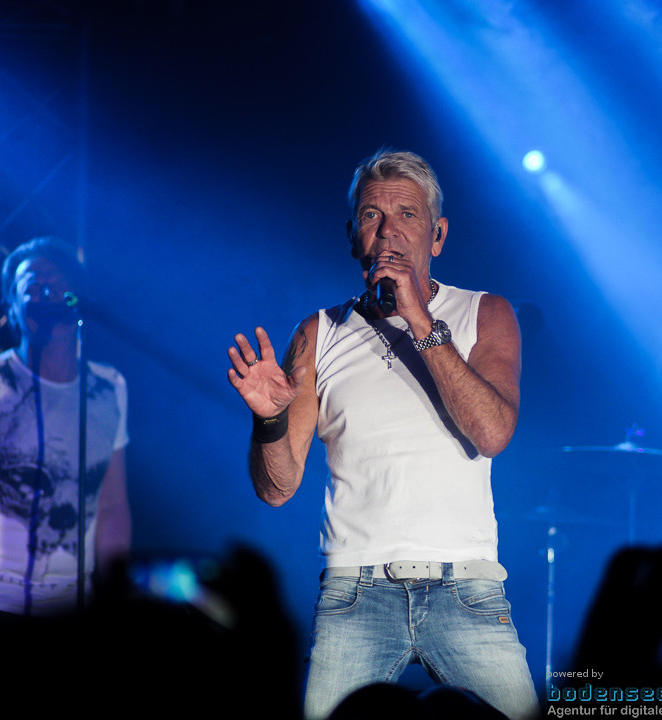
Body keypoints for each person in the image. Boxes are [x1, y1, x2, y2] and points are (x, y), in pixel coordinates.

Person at [227, 149, 539, 720]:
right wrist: (268, 418)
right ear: (353, 236)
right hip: (356, 591)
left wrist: (420, 321)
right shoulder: (320, 333)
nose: (390, 230)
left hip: (465, 585)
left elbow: (492, 432)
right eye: (372, 215)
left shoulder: (485, 313)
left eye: (408, 215)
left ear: (438, 234)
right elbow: (277, 488)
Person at [0, 236, 131, 656]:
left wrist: (115, 602)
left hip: (77, 608)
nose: (48, 293)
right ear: (10, 309)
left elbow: (113, 504)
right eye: (33, 286)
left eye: (59, 285)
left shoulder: (107, 387)